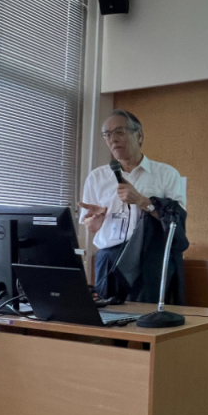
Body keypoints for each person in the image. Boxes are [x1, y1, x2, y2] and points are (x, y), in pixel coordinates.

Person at [79, 109, 187, 301]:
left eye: (119, 132)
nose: (113, 139)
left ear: (139, 135)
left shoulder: (166, 174)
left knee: (147, 315)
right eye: (107, 134)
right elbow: (91, 226)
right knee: (107, 315)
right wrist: (93, 223)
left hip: (150, 260)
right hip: (109, 258)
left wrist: (142, 201)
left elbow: (176, 221)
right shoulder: (97, 177)